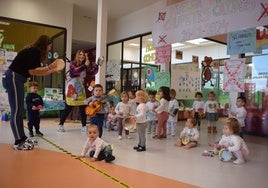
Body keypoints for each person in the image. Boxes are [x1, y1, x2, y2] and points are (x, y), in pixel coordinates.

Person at [2, 35, 58, 150]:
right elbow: (33, 70)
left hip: (17, 79)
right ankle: (18, 142)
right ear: (45, 44)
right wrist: (50, 68)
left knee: (17, 110)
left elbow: (36, 72)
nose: (50, 48)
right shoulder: (34, 51)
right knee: (16, 111)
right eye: (50, 45)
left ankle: (22, 137)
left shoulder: (33, 52)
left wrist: (51, 69)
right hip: (13, 78)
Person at [57, 50, 91, 133]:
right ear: (77, 55)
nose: (82, 56)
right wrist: (84, 66)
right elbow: (74, 71)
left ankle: (83, 126)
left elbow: (91, 73)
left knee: (82, 108)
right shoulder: (72, 63)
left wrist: (94, 66)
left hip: (81, 89)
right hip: (72, 88)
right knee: (68, 108)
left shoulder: (86, 65)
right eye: (80, 54)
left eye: (83, 55)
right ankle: (60, 125)